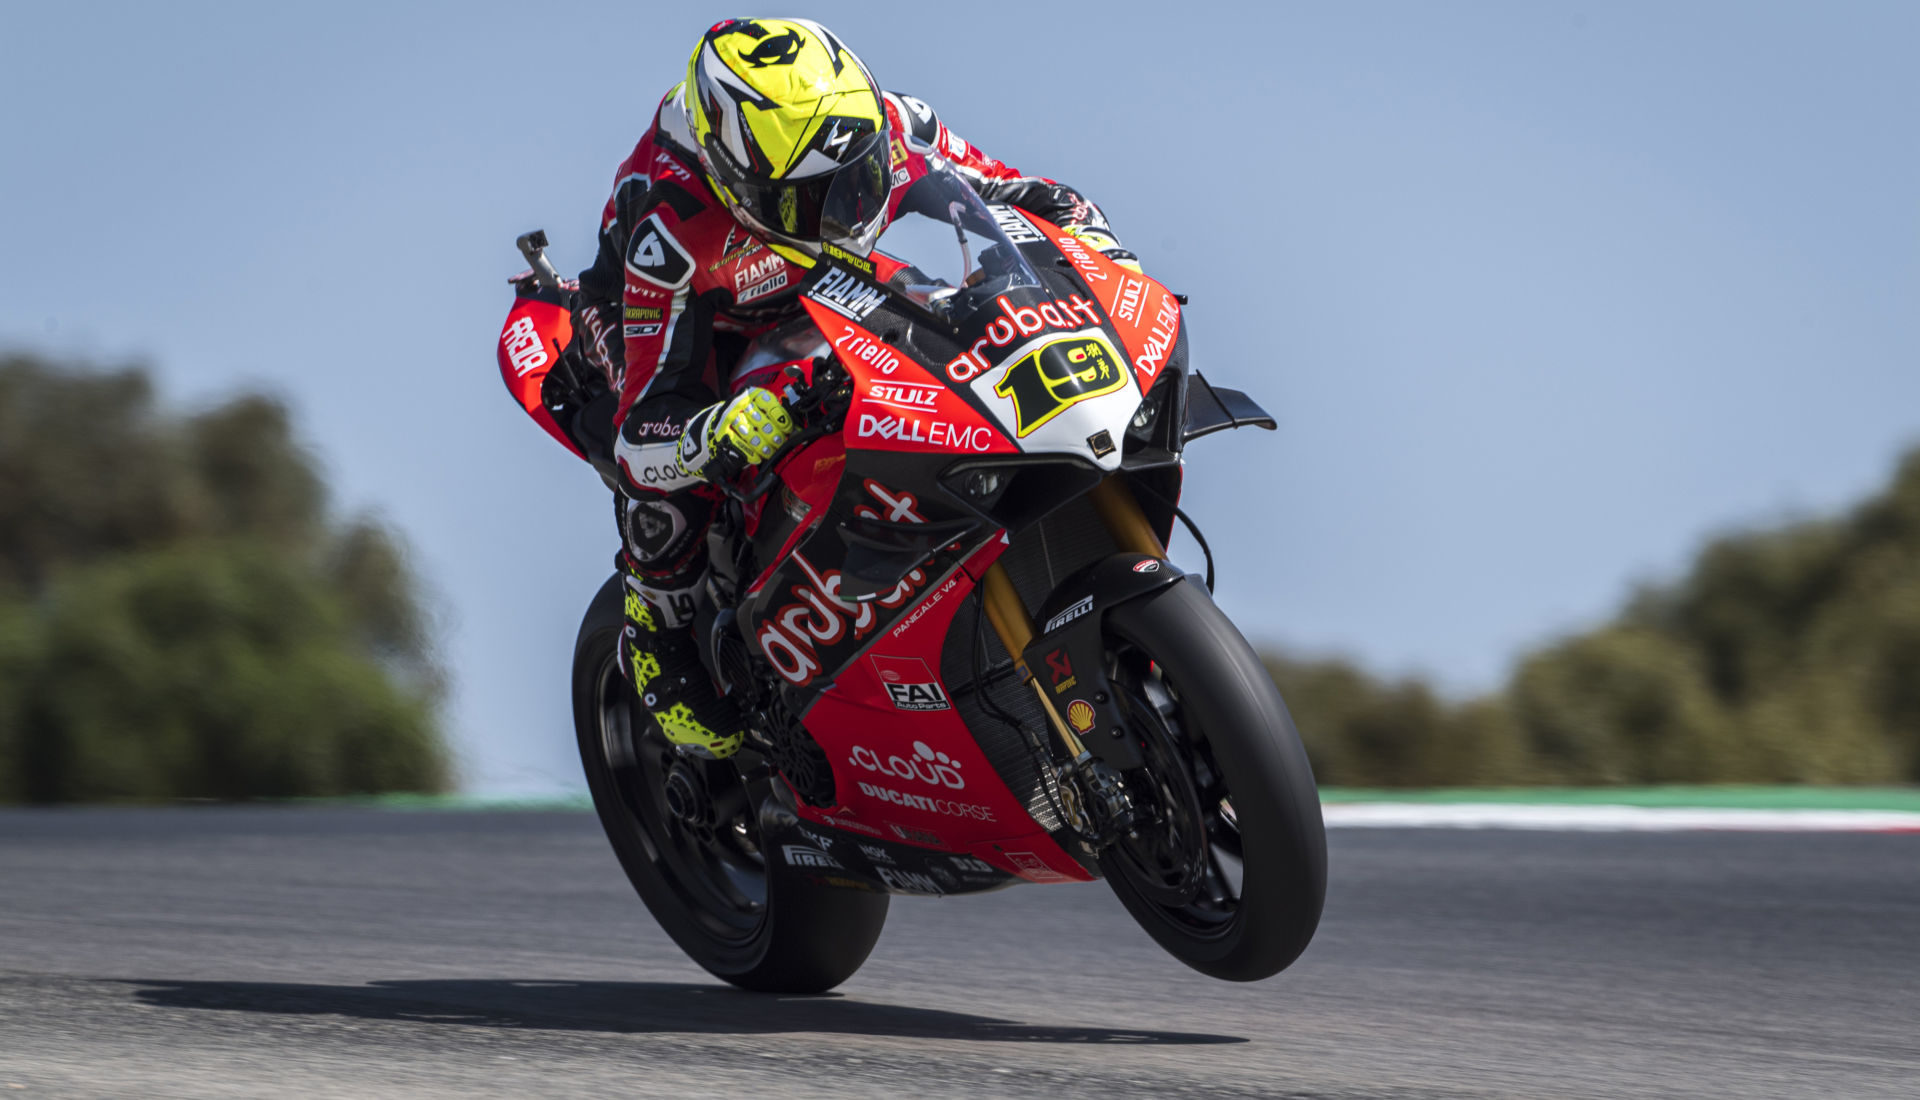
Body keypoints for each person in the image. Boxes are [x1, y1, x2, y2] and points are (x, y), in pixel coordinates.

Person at [571, 17, 1140, 759]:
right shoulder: (669, 227)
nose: (843, 210)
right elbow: (644, 429)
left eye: (857, 182)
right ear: (732, 179)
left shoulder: (894, 124)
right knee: (689, 475)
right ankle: (655, 622)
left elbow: (1019, 195)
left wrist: (1093, 243)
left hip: (818, 288)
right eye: (809, 199)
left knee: (944, 320)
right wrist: (716, 432)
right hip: (662, 323)